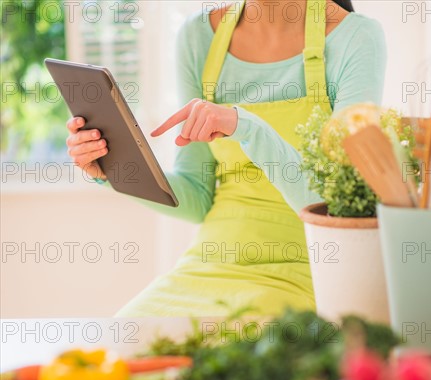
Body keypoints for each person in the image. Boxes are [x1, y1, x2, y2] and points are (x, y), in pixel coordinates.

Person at [66, 0, 386, 317]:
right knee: (122, 344)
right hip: (208, 264)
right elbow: (197, 196)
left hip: (305, 270)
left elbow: (336, 211)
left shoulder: (355, 38)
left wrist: (245, 126)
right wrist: (113, 168)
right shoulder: (197, 36)